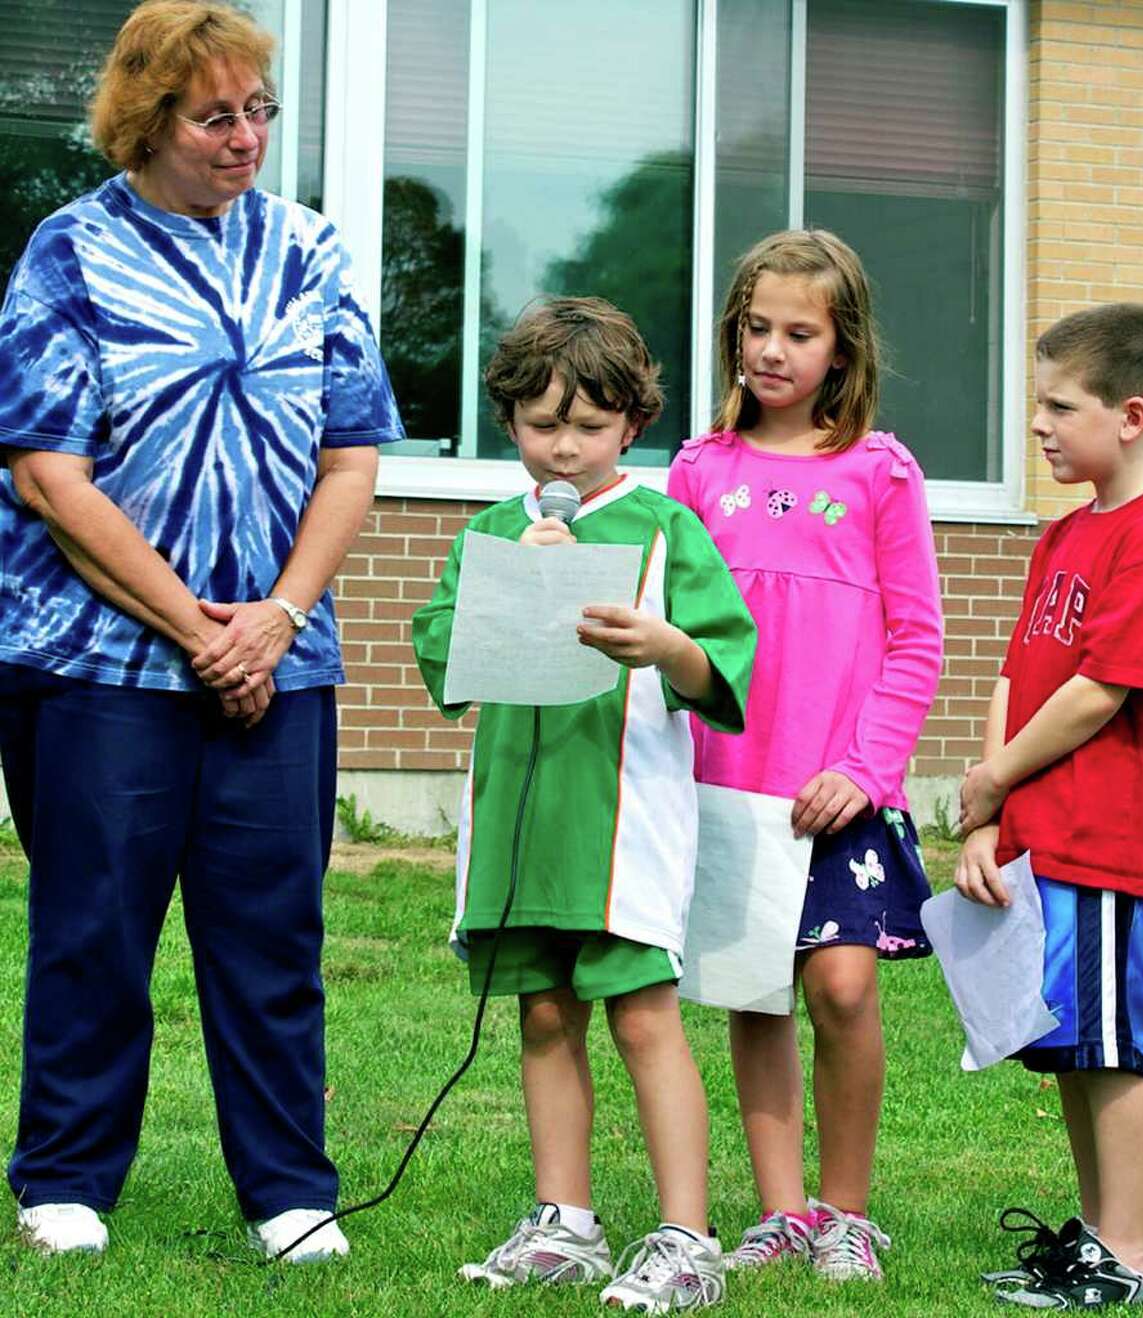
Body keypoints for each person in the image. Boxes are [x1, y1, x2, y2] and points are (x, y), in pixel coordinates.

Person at [0, 1, 402, 1260]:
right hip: (93, 662)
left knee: (273, 930)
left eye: (259, 111)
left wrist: (276, 619)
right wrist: (197, 629)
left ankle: (289, 1189)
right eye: (215, 115)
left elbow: (351, 454)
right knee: (94, 925)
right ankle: (64, 1180)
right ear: (147, 121)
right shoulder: (69, 254)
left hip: (284, 657)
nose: (246, 137)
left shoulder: (312, 252)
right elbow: (47, 475)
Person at [412, 297, 757, 1311]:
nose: (564, 448)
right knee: (544, 1017)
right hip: (522, 827)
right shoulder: (491, 529)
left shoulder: (664, 529)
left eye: (589, 427)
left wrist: (662, 643)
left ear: (632, 426)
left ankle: (688, 1238)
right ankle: (564, 1223)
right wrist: (509, 595)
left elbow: (721, 666)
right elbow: (443, 651)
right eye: (541, 424)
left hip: (622, 828)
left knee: (644, 1019)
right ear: (509, 422)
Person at [667, 229, 943, 1282]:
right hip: (730, 786)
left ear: (843, 345)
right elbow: (677, 622)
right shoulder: (701, 467)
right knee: (755, 992)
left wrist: (865, 770)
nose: (772, 349)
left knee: (839, 987)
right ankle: (781, 1211)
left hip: (841, 791)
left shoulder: (879, 470)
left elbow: (917, 639)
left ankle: (847, 1211)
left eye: (799, 332)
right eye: (756, 327)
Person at [955, 303, 1143, 1310]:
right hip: (1043, 836)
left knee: (1111, 1052)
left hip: (1109, 844)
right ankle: (1098, 1237)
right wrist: (983, 813)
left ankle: (1132, 1258)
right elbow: (1018, 674)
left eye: (1060, 405)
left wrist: (996, 777)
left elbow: (1102, 690)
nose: (1040, 425)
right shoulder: (1064, 531)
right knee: (1068, 1050)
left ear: (1131, 414)